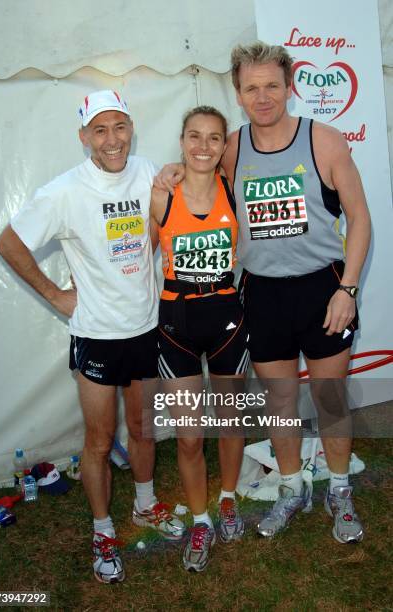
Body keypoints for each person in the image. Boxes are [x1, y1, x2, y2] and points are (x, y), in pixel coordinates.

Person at [155, 41, 371, 544]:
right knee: (281, 402)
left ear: (290, 86)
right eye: (251, 88)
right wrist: (172, 173)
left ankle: (339, 490)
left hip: (324, 287)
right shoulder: (230, 146)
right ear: (238, 92)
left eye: (272, 85)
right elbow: (195, 178)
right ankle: (292, 488)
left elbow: (360, 219)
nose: (263, 96)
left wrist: (348, 289)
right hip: (263, 294)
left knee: (330, 398)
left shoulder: (325, 140)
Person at [0, 90, 184, 585]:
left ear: (132, 128)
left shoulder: (148, 173)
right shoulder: (64, 191)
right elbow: (8, 242)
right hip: (97, 335)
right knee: (99, 440)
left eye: (119, 127)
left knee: (143, 429)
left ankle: (145, 506)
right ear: (83, 137)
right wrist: (55, 294)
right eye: (99, 130)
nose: (112, 140)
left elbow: (162, 221)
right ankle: (103, 530)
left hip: (146, 329)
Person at [151, 106, 249, 571]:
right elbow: (132, 253)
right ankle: (202, 518)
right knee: (189, 438)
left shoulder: (233, 185)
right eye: (194, 136)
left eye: (214, 138)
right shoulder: (160, 194)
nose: (203, 147)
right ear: (182, 140)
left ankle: (227, 498)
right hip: (177, 323)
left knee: (230, 423)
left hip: (227, 317)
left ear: (224, 145)